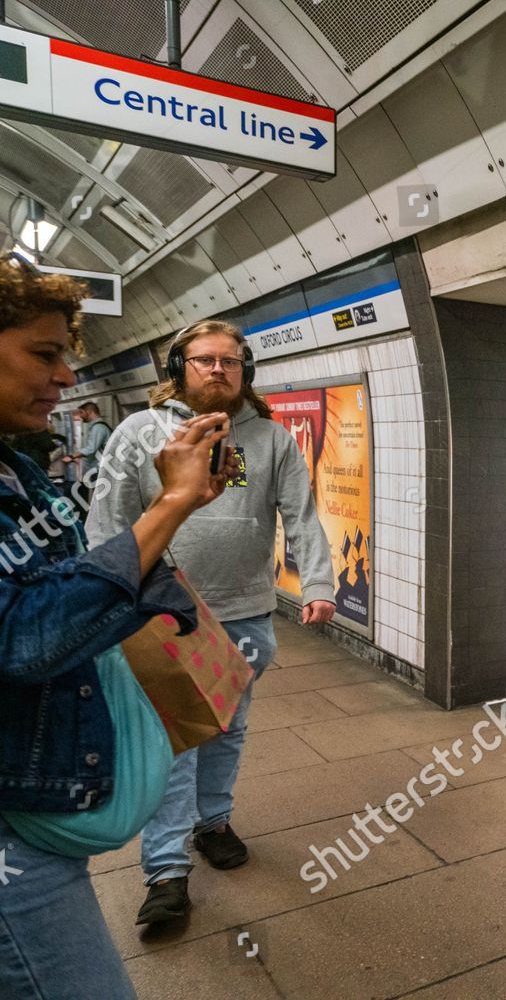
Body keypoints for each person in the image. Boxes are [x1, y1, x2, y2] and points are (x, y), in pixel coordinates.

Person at [0, 252, 233, 997]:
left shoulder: (15, 466)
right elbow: (24, 636)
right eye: (44, 353)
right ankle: (168, 866)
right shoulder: (129, 432)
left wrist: (178, 511)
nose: (67, 377)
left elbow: (56, 574)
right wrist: (165, 511)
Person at [87, 319, 337, 926]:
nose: (217, 370)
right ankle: (166, 870)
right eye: (203, 360)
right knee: (176, 741)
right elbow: (107, 519)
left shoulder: (269, 440)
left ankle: (213, 822)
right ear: (179, 369)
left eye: (229, 361)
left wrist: (320, 583)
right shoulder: (137, 433)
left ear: (245, 372)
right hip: (162, 614)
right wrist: (102, 599)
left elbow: (299, 513)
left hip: (246, 612)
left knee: (227, 729)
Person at [71, 401, 111, 500]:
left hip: (100, 470)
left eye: (81, 412)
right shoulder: (98, 426)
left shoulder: (98, 427)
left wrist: (73, 456)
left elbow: (91, 448)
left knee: (99, 499)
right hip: (98, 469)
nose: (80, 416)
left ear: (89, 411)